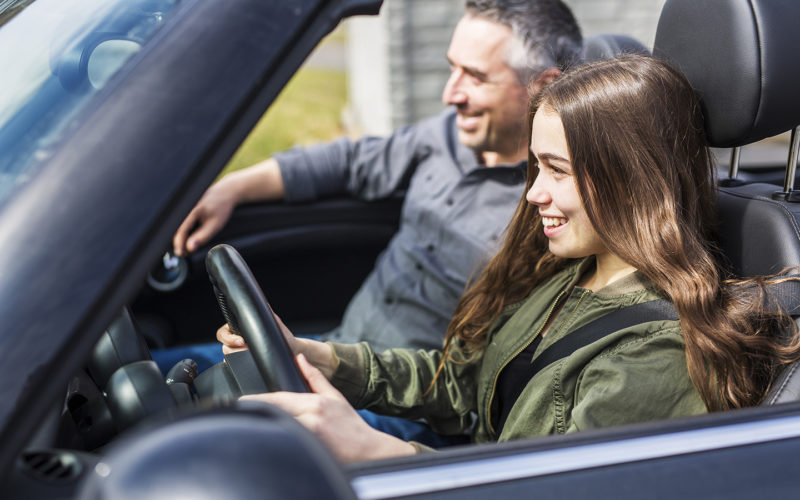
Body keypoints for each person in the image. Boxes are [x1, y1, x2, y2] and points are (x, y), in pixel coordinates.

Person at [220, 54, 800, 462]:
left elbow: (530, 485)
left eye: (557, 171)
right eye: (535, 167)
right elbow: (461, 386)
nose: (532, 194)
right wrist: (316, 355)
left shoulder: (655, 353)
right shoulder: (574, 275)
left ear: (630, 183)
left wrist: (379, 451)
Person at [170, 0, 583, 353]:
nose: (450, 94)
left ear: (542, 87)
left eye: (475, 77)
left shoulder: (556, 207)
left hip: (400, 407)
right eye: (451, 69)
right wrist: (230, 189)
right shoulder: (444, 134)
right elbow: (348, 161)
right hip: (332, 349)